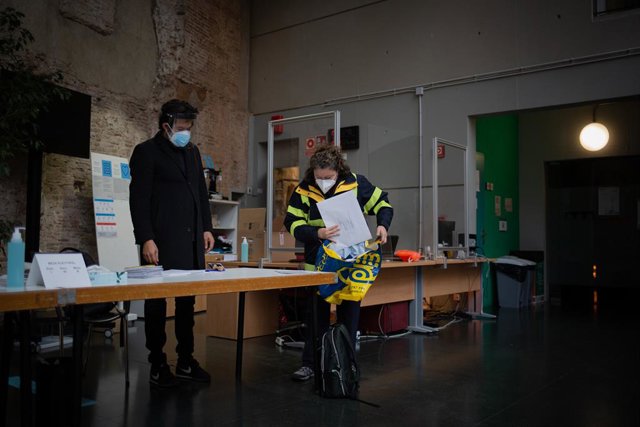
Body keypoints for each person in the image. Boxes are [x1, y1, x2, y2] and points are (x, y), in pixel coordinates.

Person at [284, 144, 393, 381]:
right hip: (317, 266)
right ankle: (311, 365)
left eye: (329, 177)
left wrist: (383, 225)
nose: (323, 181)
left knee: (349, 318)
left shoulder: (355, 183)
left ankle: (345, 365)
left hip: (350, 266)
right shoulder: (303, 190)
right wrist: (317, 234)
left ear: (338, 170)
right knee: (315, 318)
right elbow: (291, 222)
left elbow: (383, 203)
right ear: (312, 172)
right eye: (319, 177)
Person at [129, 99, 214, 387]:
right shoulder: (146, 153)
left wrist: (207, 228)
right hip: (160, 241)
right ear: (166, 125)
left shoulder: (192, 151)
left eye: (189, 127)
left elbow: (200, 193)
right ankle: (157, 362)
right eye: (181, 127)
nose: (186, 132)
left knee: (187, 304)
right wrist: (146, 238)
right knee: (156, 304)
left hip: (191, 240)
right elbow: (138, 200)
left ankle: (186, 360)